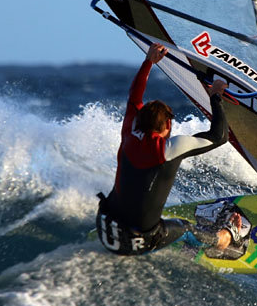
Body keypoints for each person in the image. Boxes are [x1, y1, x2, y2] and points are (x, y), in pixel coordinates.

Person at [96, 42, 247, 255]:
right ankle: (222, 239)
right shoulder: (168, 148)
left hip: (105, 227)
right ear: (167, 125)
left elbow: (134, 97)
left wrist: (149, 62)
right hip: (139, 241)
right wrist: (215, 96)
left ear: (140, 121)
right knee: (185, 227)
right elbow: (219, 137)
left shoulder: (129, 132)